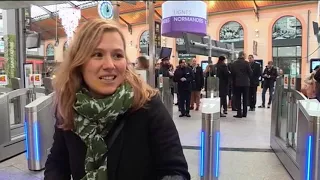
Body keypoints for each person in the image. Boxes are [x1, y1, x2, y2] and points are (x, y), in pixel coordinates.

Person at [44, 19, 190, 180]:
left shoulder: (147, 104)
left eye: (117, 55)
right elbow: (57, 163)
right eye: (97, 54)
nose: (109, 64)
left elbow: (175, 171)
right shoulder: (69, 105)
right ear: (79, 62)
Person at [229, 51, 252, 118]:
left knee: (238, 98)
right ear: (242, 55)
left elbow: (232, 74)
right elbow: (250, 73)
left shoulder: (234, 63)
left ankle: (239, 113)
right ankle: (244, 113)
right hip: (245, 83)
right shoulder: (246, 63)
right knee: (245, 98)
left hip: (237, 83)